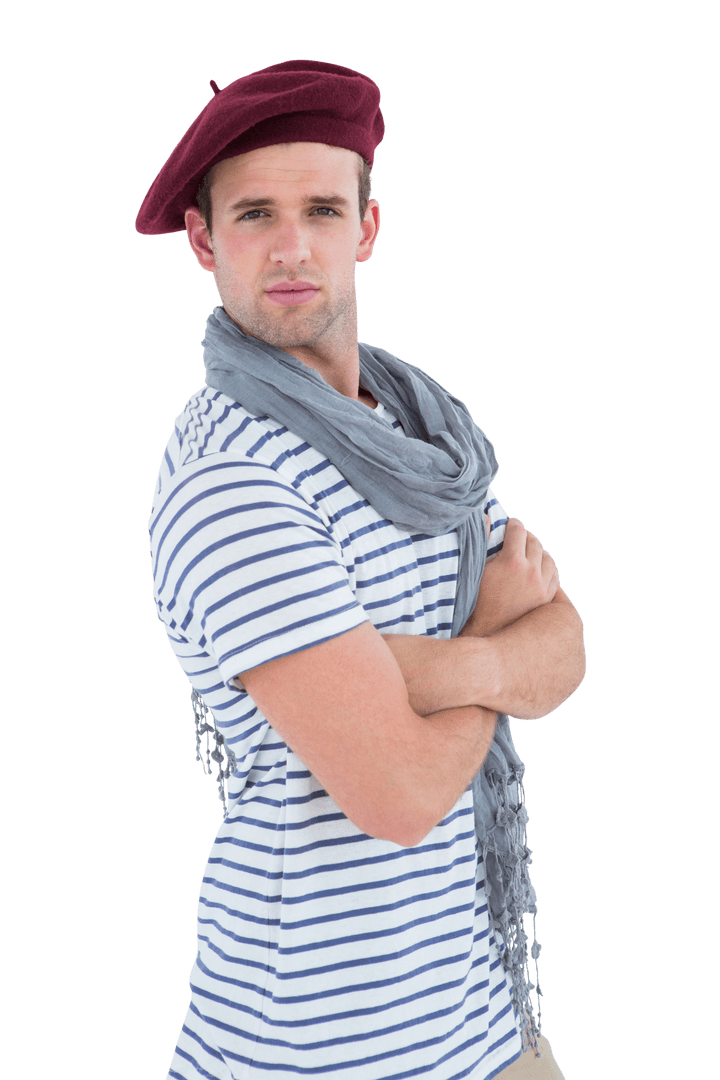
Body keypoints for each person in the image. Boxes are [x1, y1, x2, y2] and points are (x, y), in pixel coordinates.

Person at [137, 59, 585, 1080]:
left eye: (322, 209)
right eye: (254, 213)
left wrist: (425, 671)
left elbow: (564, 645)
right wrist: (488, 641)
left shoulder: (423, 435)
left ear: (367, 230)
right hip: (314, 1050)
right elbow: (399, 797)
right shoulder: (233, 482)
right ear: (204, 240)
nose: (293, 247)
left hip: (484, 1021)